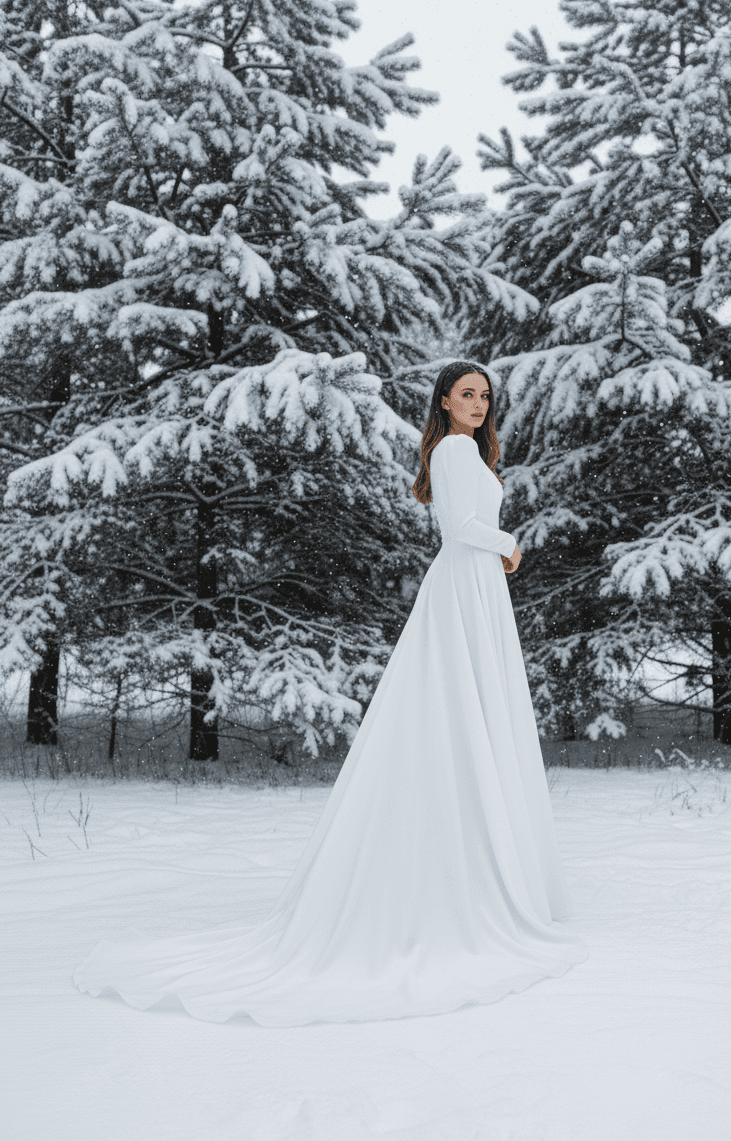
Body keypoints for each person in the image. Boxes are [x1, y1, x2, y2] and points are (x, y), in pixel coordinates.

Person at [73, 361, 586, 1027]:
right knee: (461, 712)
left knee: (459, 717)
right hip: (468, 582)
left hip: (473, 589)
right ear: (444, 403)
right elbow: (460, 530)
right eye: (467, 394)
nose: (479, 404)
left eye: (485, 396)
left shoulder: (465, 451)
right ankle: (471, 871)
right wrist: (510, 545)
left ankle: (474, 861)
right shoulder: (457, 450)